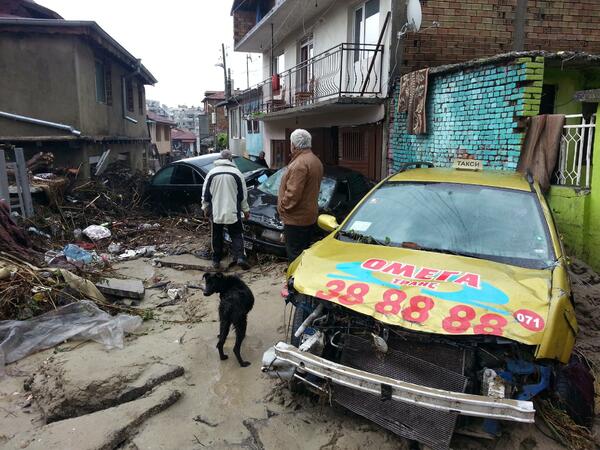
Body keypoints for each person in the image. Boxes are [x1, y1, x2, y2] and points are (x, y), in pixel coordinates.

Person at [277, 129, 323, 262]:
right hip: (308, 216)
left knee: (295, 257)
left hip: (296, 219)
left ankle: (294, 281)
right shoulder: (314, 160)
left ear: (294, 145)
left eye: (290, 143)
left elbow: (293, 194)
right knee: (303, 254)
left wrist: (282, 207)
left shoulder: (299, 164)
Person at [202, 150, 250, 270]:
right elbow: (243, 195)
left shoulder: (211, 173)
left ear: (220, 159)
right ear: (230, 160)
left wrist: (205, 207)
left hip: (216, 210)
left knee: (216, 235)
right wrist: (246, 210)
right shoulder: (237, 173)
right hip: (233, 210)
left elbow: (205, 193)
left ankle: (216, 260)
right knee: (237, 234)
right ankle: (240, 257)